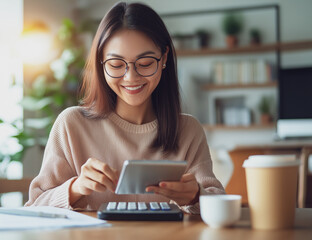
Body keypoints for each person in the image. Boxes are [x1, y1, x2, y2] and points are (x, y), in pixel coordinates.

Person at [25, 2, 225, 214]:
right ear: (101, 63)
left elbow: (220, 201)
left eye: (146, 63)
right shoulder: (72, 124)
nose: (131, 77)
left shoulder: (188, 130)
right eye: (117, 65)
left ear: (164, 58)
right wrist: (75, 188)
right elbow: (33, 207)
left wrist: (196, 195)